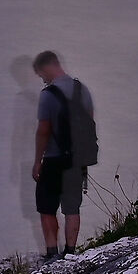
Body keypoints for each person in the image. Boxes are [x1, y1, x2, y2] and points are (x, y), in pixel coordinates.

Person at [31, 50, 96, 259]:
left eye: (41, 74)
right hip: (77, 159)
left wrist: (37, 161)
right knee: (72, 207)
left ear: (46, 67)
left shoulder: (48, 95)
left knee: (47, 207)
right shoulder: (82, 90)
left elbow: (43, 130)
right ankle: (70, 253)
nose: (42, 79)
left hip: (53, 158)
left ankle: (52, 254)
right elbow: (89, 122)